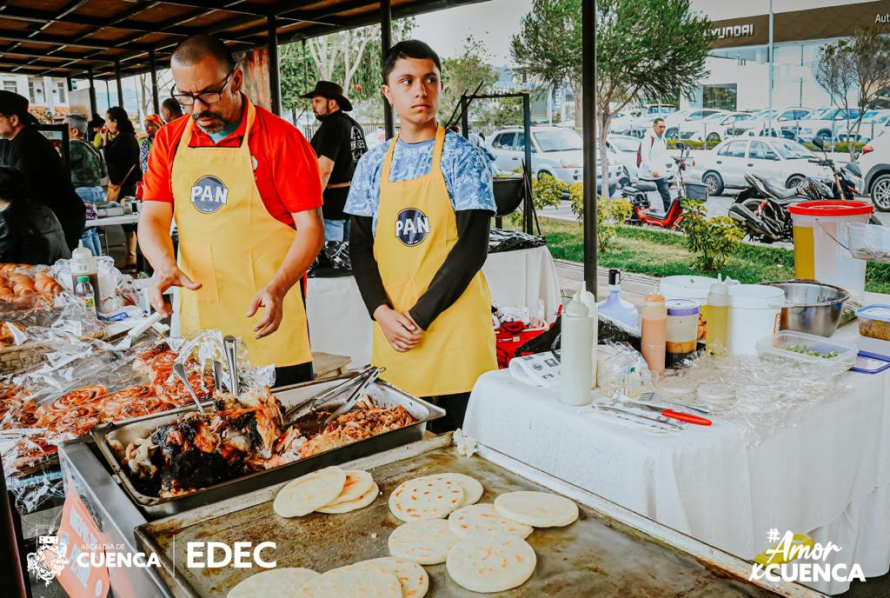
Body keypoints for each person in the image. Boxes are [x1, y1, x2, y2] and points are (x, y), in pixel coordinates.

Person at [139, 34, 324, 386]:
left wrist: (279, 287)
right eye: (186, 97)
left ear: (236, 80)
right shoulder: (169, 140)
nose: (198, 109)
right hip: (201, 323)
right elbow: (153, 216)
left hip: (268, 319)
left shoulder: (281, 140)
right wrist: (163, 265)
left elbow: (312, 229)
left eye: (209, 93)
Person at [345, 40, 497, 432]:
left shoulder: (463, 156)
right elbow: (359, 248)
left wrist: (418, 317)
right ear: (388, 92)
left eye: (430, 80)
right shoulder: (371, 164)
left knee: (466, 451)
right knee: (403, 448)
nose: (421, 90)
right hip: (393, 328)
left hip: (454, 330)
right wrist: (381, 312)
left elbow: (472, 248)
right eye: (407, 80)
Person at [0, 90, 85, 250]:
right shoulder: (11, 142)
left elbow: (20, 186)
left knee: (54, 269)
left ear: (13, 119)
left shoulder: (28, 143)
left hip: (60, 217)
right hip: (44, 217)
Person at [301, 81, 368, 242]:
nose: (313, 106)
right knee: (346, 259)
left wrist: (312, 204)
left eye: (317, 101)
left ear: (332, 103)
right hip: (352, 203)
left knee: (333, 259)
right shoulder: (353, 125)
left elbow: (324, 169)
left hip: (332, 207)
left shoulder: (332, 125)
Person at [0, 167, 70, 265]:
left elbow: (3, 261)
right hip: (60, 271)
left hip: (34, 277)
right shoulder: (41, 208)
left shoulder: (7, 219)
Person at [103, 106, 142, 267]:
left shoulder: (124, 139)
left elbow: (109, 157)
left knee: (129, 222)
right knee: (129, 222)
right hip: (127, 185)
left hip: (126, 186)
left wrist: (105, 141)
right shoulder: (126, 138)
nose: (105, 124)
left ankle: (132, 256)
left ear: (115, 122)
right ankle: (132, 255)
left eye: (107, 120)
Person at [65, 114, 107, 256]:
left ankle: (93, 267)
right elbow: (103, 173)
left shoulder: (71, 147)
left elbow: (60, 169)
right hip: (98, 191)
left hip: (81, 192)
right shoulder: (93, 146)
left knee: (83, 233)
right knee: (93, 231)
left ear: (74, 131)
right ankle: (100, 263)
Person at [638, 118, 672, 212]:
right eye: (660, 127)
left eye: (664, 127)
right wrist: (652, 170)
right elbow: (644, 157)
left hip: (660, 175)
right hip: (647, 175)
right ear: (654, 127)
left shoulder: (663, 140)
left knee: (667, 197)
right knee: (642, 199)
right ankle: (642, 217)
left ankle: (668, 220)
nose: (662, 129)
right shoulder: (648, 138)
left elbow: (663, 156)